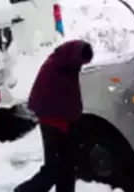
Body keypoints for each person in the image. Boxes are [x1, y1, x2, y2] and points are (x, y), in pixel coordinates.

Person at [15, 39, 94, 192]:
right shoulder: (56, 67)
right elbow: (46, 98)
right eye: (83, 62)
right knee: (54, 168)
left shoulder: (68, 64)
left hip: (64, 121)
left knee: (68, 166)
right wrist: (73, 115)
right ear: (77, 56)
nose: (83, 65)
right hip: (51, 123)